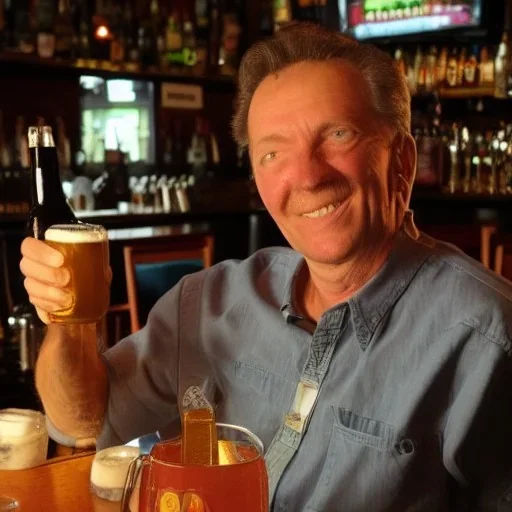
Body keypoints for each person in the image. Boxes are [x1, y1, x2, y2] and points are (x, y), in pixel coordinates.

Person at [20, 23, 512, 511]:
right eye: (273, 152)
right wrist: (71, 320)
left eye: (338, 134)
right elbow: (81, 422)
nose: (307, 175)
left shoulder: (487, 338)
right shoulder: (208, 301)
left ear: (401, 160)